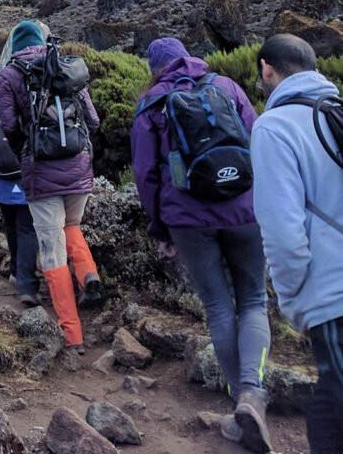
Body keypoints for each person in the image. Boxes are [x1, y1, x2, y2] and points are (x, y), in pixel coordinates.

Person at [130, 37, 269, 453]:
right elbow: (255, 140)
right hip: (245, 209)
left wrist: (159, 227)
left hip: (189, 219)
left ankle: (240, 406)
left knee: (219, 308)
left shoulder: (152, 104)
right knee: (255, 301)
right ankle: (252, 392)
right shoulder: (226, 86)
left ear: (155, 66)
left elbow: (146, 175)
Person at [250, 34, 343, 454]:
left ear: (267, 68)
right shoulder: (336, 112)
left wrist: (291, 300)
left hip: (333, 297)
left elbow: (283, 232)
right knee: (326, 409)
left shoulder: (274, 126)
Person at [0, 20, 102, 353]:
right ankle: (88, 276)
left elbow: (10, 125)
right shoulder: (65, 63)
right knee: (71, 225)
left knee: (52, 252)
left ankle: (71, 335)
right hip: (78, 168)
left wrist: (25, 152)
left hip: (41, 174)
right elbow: (93, 119)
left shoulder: (11, 74)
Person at [0, 96, 40, 304]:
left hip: (1, 178)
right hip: (30, 177)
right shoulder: (32, 107)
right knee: (27, 228)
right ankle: (26, 283)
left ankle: (15, 271)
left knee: (10, 225)